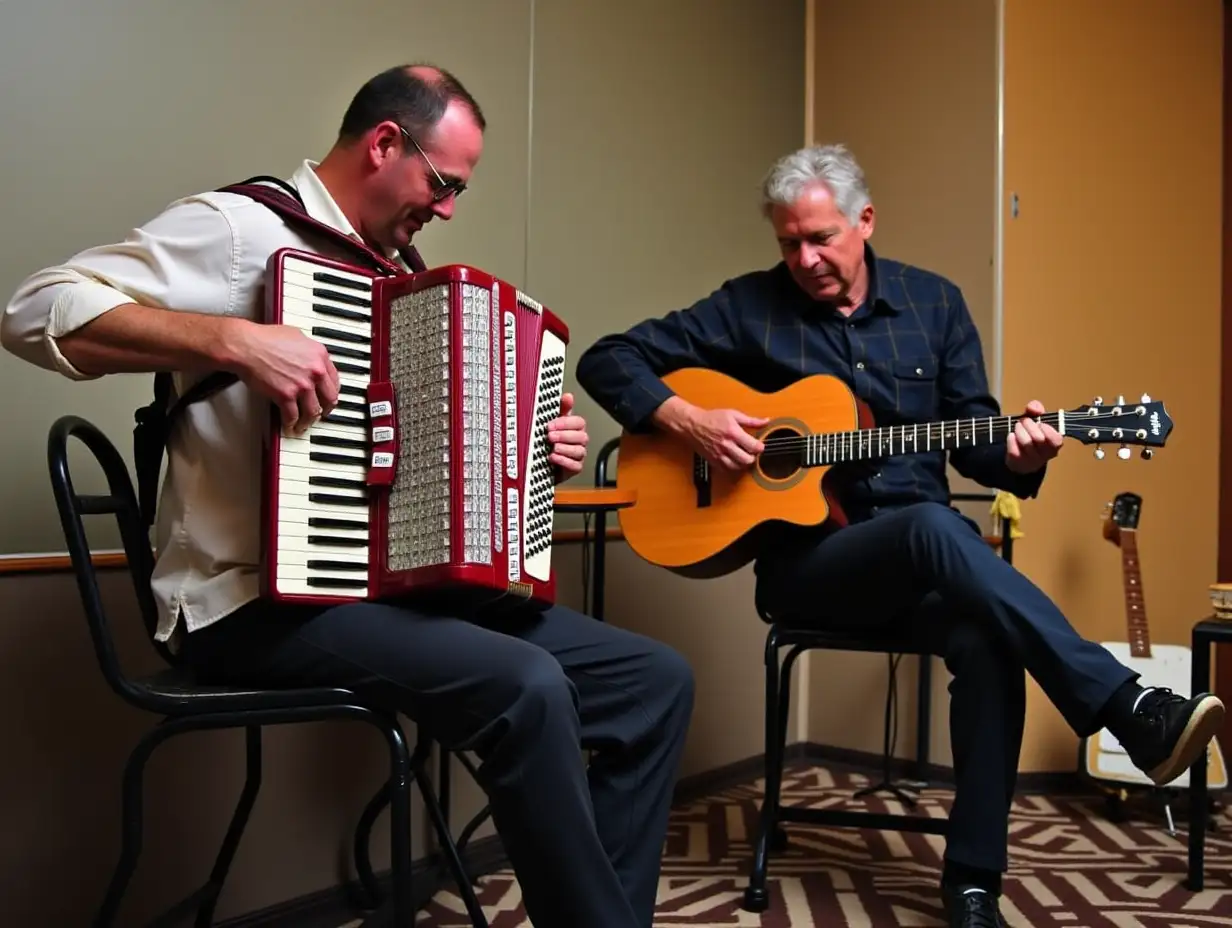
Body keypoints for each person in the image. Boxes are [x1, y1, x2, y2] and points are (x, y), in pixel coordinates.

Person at [1, 64, 694, 928]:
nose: (446, 210)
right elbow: (32, 309)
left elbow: (436, 461)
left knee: (653, 679)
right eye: (444, 184)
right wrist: (236, 339)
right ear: (383, 144)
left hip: (383, 596)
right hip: (245, 603)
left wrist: (532, 450)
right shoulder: (239, 231)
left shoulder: (399, 275)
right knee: (527, 685)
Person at [574, 142, 1224, 928]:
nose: (805, 258)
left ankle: (973, 884)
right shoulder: (749, 306)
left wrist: (1021, 454)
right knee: (930, 528)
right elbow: (608, 359)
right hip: (811, 568)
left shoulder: (934, 305)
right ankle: (1127, 706)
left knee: (987, 638)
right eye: (789, 242)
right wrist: (689, 419)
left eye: (821, 238)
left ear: (865, 221)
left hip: (924, 572)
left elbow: (978, 444)